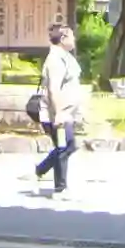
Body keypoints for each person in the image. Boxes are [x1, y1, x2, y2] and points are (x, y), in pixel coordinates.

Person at [35, 23, 83, 198]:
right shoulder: (55, 59)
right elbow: (54, 88)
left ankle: (41, 169)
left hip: (66, 112)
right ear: (63, 38)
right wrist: (60, 112)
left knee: (66, 146)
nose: (74, 39)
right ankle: (60, 188)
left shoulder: (64, 57)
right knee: (65, 146)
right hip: (57, 113)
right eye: (71, 36)